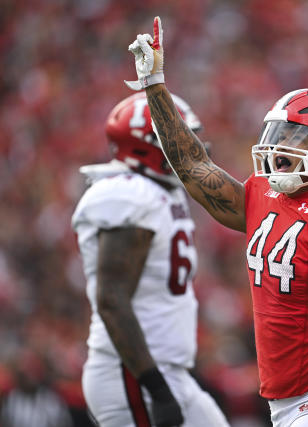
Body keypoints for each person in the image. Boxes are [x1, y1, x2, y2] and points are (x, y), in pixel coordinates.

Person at [125, 17, 308, 427]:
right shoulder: (263, 193)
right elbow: (192, 165)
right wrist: (155, 84)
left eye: (295, 137)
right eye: (279, 133)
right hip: (284, 399)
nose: (280, 146)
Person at [72, 92, 230, 427]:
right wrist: (156, 389)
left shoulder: (161, 190)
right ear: (148, 145)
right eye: (177, 136)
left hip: (169, 373)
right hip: (134, 375)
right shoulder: (127, 193)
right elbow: (112, 299)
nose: (190, 145)